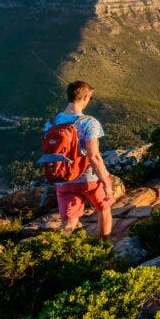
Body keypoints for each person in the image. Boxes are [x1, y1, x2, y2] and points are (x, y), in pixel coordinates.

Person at [46, 81, 115, 240]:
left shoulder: (51, 123)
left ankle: (59, 254)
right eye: (89, 98)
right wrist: (105, 182)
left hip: (63, 180)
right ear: (85, 97)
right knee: (104, 209)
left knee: (69, 223)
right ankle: (103, 249)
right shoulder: (89, 122)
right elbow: (94, 156)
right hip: (89, 178)